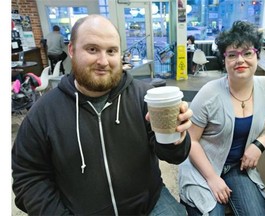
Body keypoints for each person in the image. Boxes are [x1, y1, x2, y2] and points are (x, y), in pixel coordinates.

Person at [12, 15, 193, 215]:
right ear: (71, 50)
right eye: (92, 49)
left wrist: (178, 138)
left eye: (111, 51)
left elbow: (174, 156)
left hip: (149, 204)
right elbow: (28, 178)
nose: (103, 61)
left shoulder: (143, 97)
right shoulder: (43, 113)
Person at [179, 20, 265, 215]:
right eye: (232, 55)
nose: (240, 60)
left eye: (247, 53)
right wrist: (212, 178)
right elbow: (190, 140)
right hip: (203, 165)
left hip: (238, 167)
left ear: (257, 55)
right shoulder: (209, 94)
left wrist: (258, 145)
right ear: (224, 60)